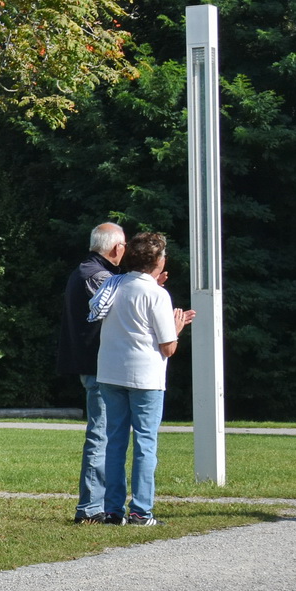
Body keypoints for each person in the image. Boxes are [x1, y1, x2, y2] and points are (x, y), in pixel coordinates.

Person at [94, 232, 194, 526]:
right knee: (145, 444)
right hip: (146, 377)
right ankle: (141, 511)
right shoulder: (158, 294)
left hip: (110, 372)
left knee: (114, 443)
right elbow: (168, 347)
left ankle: (113, 510)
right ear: (157, 261)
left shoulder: (114, 285)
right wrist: (176, 327)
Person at [58, 223, 126, 523]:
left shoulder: (88, 271)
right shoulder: (97, 276)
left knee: (103, 434)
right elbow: (122, 312)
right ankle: (89, 508)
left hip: (95, 365)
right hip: (99, 367)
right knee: (100, 436)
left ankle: (98, 505)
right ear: (115, 248)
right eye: (124, 244)